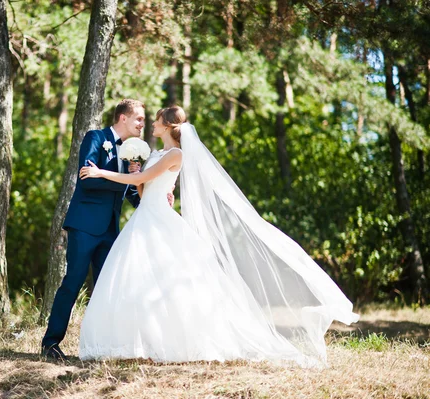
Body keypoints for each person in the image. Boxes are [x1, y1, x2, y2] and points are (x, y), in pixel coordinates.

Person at [77, 105, 359, 367]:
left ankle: (174, 339)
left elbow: (139, 182)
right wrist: (138, 171)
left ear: (169, 125)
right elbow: (142, 188)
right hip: (144, 217)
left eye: (157, 120)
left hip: (159, 219)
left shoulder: (176, 154)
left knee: (168, 279)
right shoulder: (154, 154)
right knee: (136, 278)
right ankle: (136, 338)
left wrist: (103, 172)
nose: (152, 123)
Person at [40, 99, 144, 360]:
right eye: (139, 119)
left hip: (110, 229)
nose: (143, 123)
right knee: (73, 281)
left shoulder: (132, 151)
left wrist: (147, 197)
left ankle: (102, 346)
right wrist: (121, 181)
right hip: (85, 225)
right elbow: (87, 179)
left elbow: (131, 190)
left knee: (106, 287)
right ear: (123, 118)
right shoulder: (96, 138)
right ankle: (51, 343)